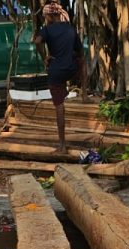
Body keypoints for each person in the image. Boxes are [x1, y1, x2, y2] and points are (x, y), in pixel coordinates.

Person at [33, 2, 85, 154]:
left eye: (45, 16)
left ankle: (62, 145)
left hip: (56, 72)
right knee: (83, 61)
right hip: (72, 69)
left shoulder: (47, 29)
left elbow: (37, 42)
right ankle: (85, 94)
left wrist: (44, 57)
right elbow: (80, 51)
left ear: (50, 16)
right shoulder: (70, 28)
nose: (45, 19)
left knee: (59, 106)